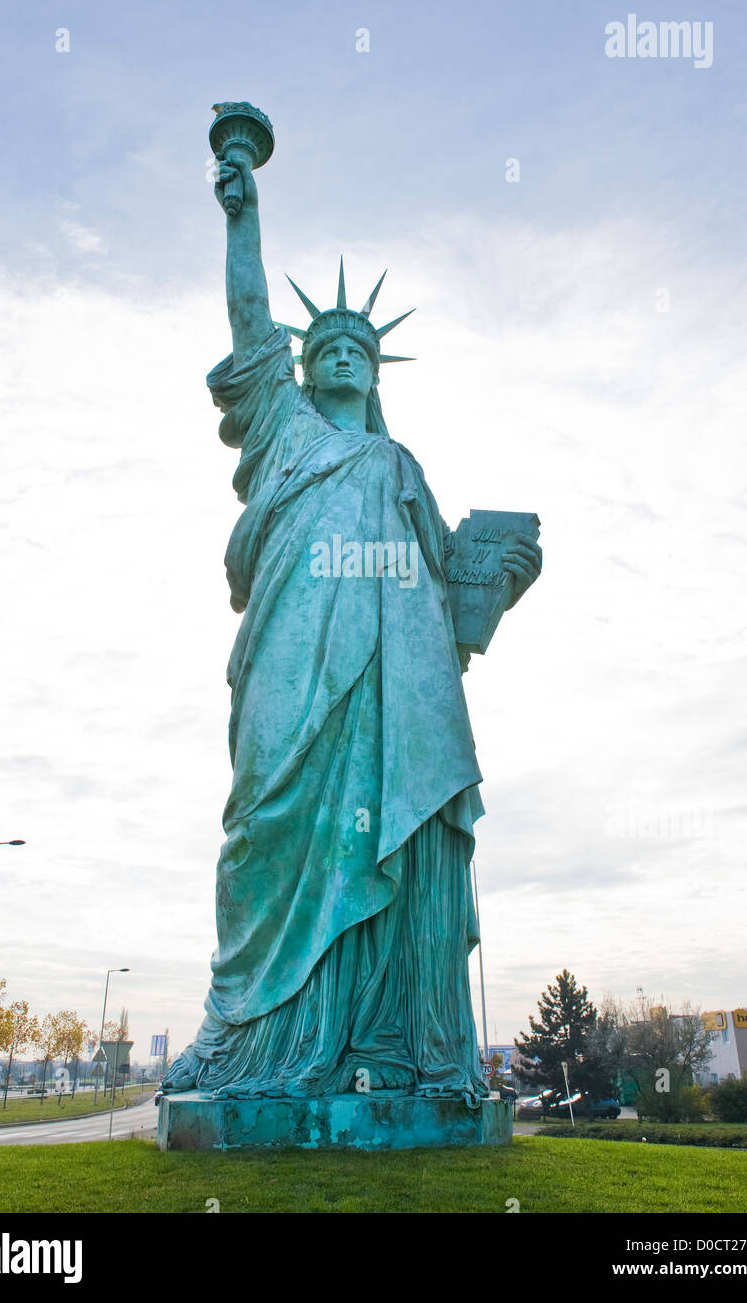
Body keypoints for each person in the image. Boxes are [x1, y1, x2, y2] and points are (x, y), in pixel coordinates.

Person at [163, 154, 541, 1105]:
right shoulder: (285, 432)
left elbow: (447, 585)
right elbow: (250, 323)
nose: (341, 351)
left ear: (374, 372)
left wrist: (504, 570)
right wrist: (242, 217)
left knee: (385, 832)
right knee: (262, 819)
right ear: (302, 367)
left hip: (387, 683)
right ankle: (248, 1035)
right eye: (325, 343)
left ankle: (380, 1041)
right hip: (288, 652)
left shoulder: (396, 460)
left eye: (357, 347)